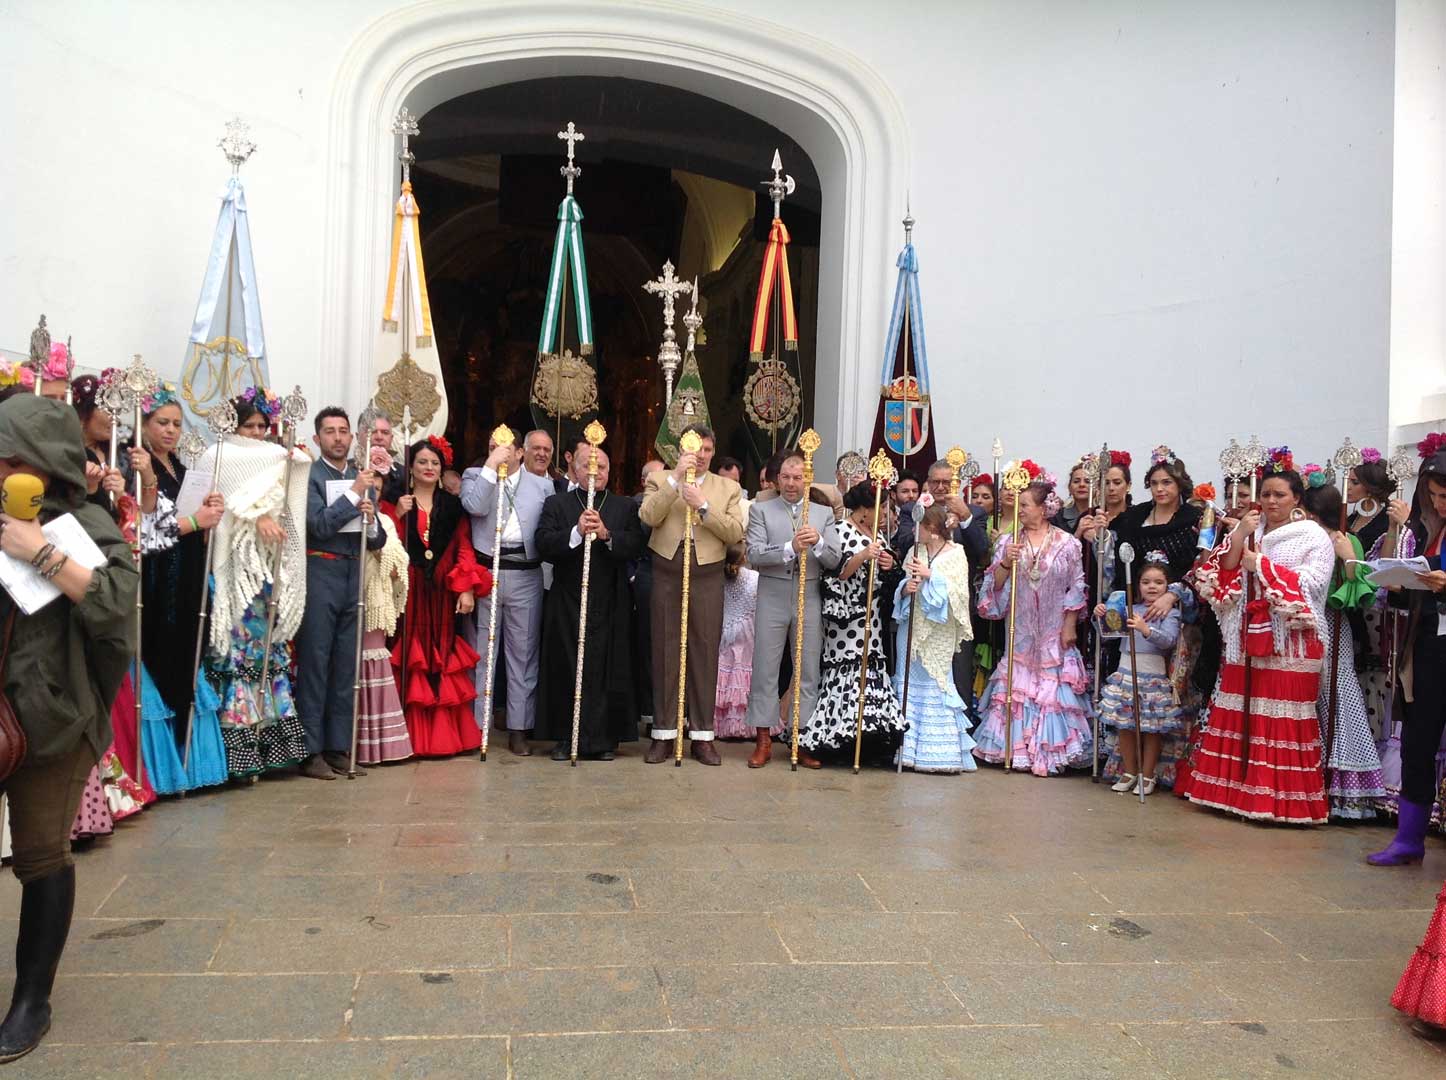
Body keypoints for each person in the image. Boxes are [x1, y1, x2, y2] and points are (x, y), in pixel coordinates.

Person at [0, 394, 137, 1063]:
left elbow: (116, 605)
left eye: (9, 457)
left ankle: (32, 999)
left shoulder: (84, 523)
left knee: (39, 855)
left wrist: (40, 552)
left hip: (52, 721)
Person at [1180, 459, 1333, 824]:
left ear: (1296, 497)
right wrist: (1238, 536)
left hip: (1291, 640)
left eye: (1280, 494)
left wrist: (1261, 566)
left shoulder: (1313, 536)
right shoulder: (1252, 529)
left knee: (1281, 717)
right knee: (1243, 715)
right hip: (1246, 637)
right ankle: (1235, 795)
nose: (1271, 501)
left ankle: (1281, 802)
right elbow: (1224, 571)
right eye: (1266, 494)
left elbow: (1313, 583)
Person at [202, 390, 312, 779]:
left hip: (266, 574)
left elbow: (293, 480)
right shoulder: (218, 455)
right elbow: (224, 503)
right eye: (248, 425)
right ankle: (233, 753)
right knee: (235, 655)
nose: (256, 432)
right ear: (232, 425)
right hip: (235, 572)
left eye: (262, 426)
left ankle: (266, 751)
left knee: (266, 655)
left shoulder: (273, 458)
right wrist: (254, 516)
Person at [124, 383, 226, 792]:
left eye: (176, 424)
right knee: (161, 652)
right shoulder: (137, 464)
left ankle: (189, 762)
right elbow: (144, 527)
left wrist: (210, 515)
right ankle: (161, 769)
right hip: (156, 574)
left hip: (187, 570)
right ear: (144, 423)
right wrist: (195, 522)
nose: (170, 431)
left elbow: (194, 519)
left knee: (189, 651)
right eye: (161, 422)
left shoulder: (181, 468)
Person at [973, 473, 1094, 775]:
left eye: (1025, 505)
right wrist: (1004, 563)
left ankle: (1051, 752)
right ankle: (1016, 751)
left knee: (1052, 691)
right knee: (1017, 689)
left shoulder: (1067, 543)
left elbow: (1077, 585)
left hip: (1054, 628)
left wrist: (1070, 624)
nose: (1021, 510)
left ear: (1044, 508)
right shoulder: (1008, 542)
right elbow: (993, 588)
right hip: (1022, 628)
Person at [639, 424, 746, 765]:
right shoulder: (660, 479)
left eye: (707, 450)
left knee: (703, 649)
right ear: (680, 448)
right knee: (665, 649)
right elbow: (648, 515)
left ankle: (702, 735)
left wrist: (702, 506)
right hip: (668, 569)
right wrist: (675, 483)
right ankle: (664, 734)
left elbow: (734, 532)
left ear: (713, 452)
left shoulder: (727, 487)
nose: (700, 456)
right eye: (694, 448)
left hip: (707, 571)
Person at [533, 440, 644, 760]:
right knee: (567, 665)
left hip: (611, 599)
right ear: (574, 469)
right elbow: (543, 543)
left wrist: (608, 535)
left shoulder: (624, 507)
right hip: (568, 597)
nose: (595, 473)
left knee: (606, 668)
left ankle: (603, 740)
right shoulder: (557, 504)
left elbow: (635, 544)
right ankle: (567, 738)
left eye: (603, 468)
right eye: (587, 466)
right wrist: (575, 532)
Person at [294, 407, 385, 780]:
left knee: (347, 663)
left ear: (352, 437)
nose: (337, 438)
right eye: (329, 431)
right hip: (321, 568)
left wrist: (369, 515)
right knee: (316, 660)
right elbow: (316, 525)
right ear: (317, 439)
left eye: (343, 431)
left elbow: (377, 539)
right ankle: (310, 750)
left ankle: (338, 746)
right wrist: (353, 496)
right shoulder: (311, 476)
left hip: (354, 570)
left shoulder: (358, 475)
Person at [1369, 447, 1446, 863]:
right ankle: (1409, 839)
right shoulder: (1436, 530)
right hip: (1431, 649)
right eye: (1432, 495)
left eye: (1445, 496)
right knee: (1418, 742)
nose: (1437, 504)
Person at [389, 437, 489, 757]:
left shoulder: (452, 505)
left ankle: (442, 737)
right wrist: (397, 515)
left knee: (441, 655)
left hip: (442, 593)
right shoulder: (399, 502)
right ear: (412, 468)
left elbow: (463, 547)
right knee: (410, 657)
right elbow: (386, 542)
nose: (429, 468)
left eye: (434, 463)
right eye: (422, 462)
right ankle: (406, 738)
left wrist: (467, 587)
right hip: (410, 590)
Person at [743, 449, 842, 768]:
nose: (791, 483)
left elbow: (835, 560)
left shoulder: (822, 514)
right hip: (772, 590)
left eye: (797, 477)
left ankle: (802, 739)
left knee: (807, 666)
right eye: (785, 476)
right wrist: (789, 548)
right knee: (765, 666)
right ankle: (763, 738)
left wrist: (819, 543)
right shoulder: (762, 509)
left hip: (809, 591)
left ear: (807, 479)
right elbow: (754, 554)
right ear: (775, 478)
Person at [461, 427, 554, 755]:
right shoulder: (475, 476)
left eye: (504, 448)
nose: (498, 452)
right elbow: (474, 507)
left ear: (519, 453)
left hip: (525, 573)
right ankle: (479, 726)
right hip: (488, 570)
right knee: (484, 652)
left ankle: (519, 726)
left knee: (522, 653)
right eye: (491, 447)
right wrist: (490, 468)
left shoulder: (542, 485)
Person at [801, 481, 905, 766]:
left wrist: (887, 564)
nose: (885, 514)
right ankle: (835, 737)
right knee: (846, 668)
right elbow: (836, 573)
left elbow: (886, 574)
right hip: (846, 616)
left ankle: (867, 738)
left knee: (870, 666)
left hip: (872, 614)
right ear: (862, 510)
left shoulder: (876, 534)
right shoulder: (840, 530)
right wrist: (862, 556)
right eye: (879, 508)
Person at [894, 503, 976, 773]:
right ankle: (906, 751)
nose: (915, 531)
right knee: (907, 680)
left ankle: (939, 754)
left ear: (931, 528)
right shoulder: (913, 551)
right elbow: (903, 582)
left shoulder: (956, 554)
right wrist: (906, 588)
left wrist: (932, 577)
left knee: (936, 682)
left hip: (938, 630)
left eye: (920, 526)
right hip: (913, 625)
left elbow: (960, 594)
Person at [1093, 553, 1183, 795]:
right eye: (1146, 582)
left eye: (1158, 582)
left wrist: (1146, 629)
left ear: (1167, 586)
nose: (1151, 587)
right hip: (1125, 672)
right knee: (1126, 726)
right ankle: (1130, 770)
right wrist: (1102, 616)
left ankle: (1149, 773)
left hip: (1151, 676)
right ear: (1138, 585)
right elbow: (1109, 635)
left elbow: (1168, 640)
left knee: (1151, 728)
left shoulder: (1169, 613)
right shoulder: (1129, 608)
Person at [355, 505, 411, 765]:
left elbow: (396, 565)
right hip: (346, 597)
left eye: (377, 484)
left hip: (375, 605)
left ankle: (380, 747)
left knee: (373, 664)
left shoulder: (385, 521)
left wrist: (380, 551)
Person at [714, 544, 761, 740]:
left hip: (724, 626)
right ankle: (743, 724)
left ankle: (718, 722)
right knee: (743, 670)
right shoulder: (754, 578)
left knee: (723, 670)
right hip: (747, 629)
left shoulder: (718, 578)